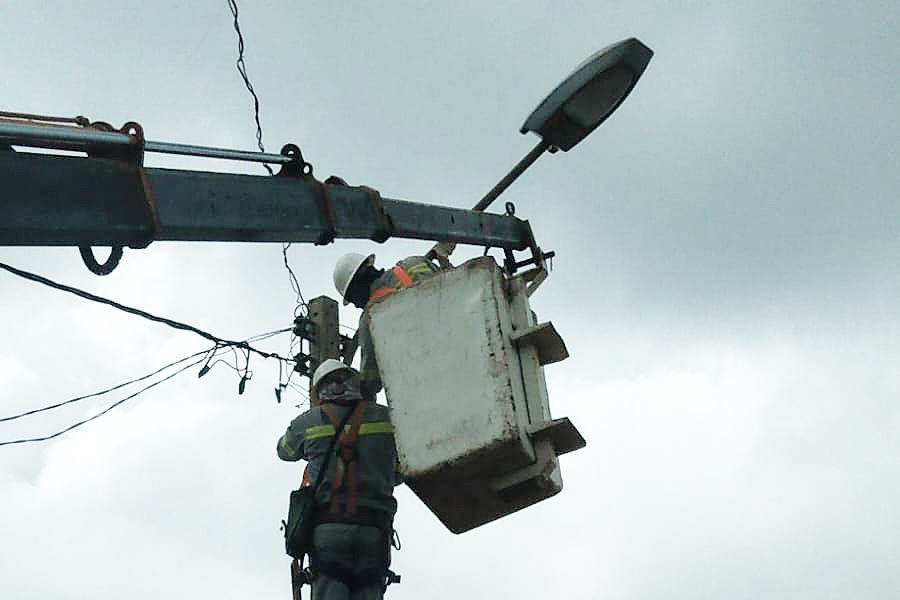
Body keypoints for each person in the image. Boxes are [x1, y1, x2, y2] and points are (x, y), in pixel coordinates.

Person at [277, 359, 400, 600]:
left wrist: (317, 451)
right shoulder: (388, 419)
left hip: (329, 530)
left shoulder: (307, 422)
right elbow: (400, 471)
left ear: (320, 390)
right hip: (374, 530)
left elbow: (284, 451)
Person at [332, 247, 450, 398]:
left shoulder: (371, 315)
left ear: (357, 288)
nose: (356, 305)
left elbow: (371, 376)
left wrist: (358, 393)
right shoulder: (414, 263)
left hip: (429, 382)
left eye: (353, 299)